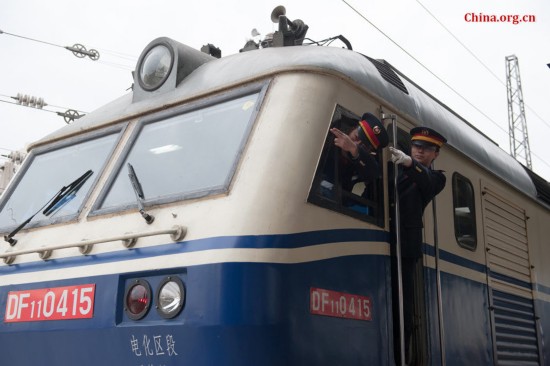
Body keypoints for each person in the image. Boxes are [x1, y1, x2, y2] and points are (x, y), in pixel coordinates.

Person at [389, 126, 447, 365]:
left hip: (405, 247)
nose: (420, 151)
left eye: (426, 149)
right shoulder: (396, 169)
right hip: (383, 238)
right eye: (416, 147)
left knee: (403, 308)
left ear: (435, 154)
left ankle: (402, 355)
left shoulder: (436, 178)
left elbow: (426, 181)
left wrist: (409, 163)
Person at [329, 112, 389, 195]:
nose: (356, 144)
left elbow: (374, 174)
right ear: (352, 129)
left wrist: (354, 149)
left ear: (368, 151)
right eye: (356, 137)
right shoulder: (329, 139)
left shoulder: (361, 161)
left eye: (363, 146)